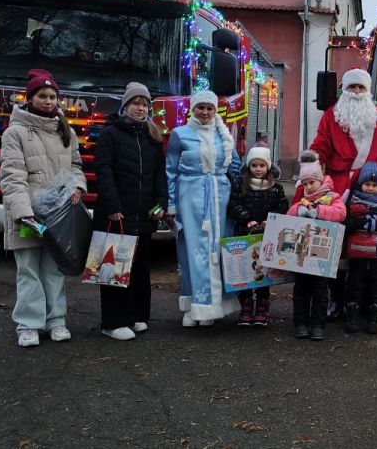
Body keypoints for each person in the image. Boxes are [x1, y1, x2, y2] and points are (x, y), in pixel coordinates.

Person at [0, 69, 87, 347]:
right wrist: (23, 212)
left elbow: (76, 167)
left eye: (52, 96)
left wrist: (78, 187)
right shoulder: (15, 133)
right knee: (28, 269)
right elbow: (12, 175)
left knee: (55, 268)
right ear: (30, 98)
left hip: (59, 215)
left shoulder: (66, 130)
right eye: (42, 96)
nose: (48, 101)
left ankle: (56, 319)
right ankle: (29, 323)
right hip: (28, 214)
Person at [304, 68, 377, 321]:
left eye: (360, 88)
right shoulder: (332, 116)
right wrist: (310, 165)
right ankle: (336, 298)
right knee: (336, 244)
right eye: (351, 88)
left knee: (369, 243)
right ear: (344, 90)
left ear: (368, 91)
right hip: (340, 186)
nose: (355, 93)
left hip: (369, 187)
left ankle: (366, 301)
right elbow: (319, 145)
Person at [92, 82, 168, 341]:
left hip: (143, 214)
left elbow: (159, 175)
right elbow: (103, 171)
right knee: (113, 267)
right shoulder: (110, 134)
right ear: (125, 105)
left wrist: (161, 203)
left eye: (145, 104)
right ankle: (113, 322)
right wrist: (112, 206)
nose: (141, 108)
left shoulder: (153, 137)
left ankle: (137, 316)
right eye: (136, 103)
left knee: (139, 268)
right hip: (116, 215)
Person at [166, 90, 241, 327]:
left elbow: (236, 166)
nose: (205, 112)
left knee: (217, 248)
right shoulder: (180, 134)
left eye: (209, 108)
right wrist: (171, 205)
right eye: (201, 108)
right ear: (193, 109)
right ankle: (193, 306)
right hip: (190, 195)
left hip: (219, 197)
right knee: (192, 249)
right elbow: (170, 171)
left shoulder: (223, 134)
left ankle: (214, 305)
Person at [287, 151, 347, 341]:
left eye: (311, 182)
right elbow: (289, 216)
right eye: (305, 184)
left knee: (321, 292)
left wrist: (319, 211)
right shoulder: (303, 200)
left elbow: (340, 213)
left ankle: (318, 325)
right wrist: (299, 209)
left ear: (320, 180)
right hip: (302, 257)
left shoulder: (332, 197)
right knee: (301, 291)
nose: (308, 187)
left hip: (322, 257)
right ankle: (301, 323)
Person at [226, 146, 289, 327]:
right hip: (245, 233)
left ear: (268, 167)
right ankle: (246, 306)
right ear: (249, 166)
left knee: (263, 271)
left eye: (262, 165)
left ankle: (262, 305)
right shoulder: (240, 184)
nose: (258, 169)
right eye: (254, 165)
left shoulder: (275, 188)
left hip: (265, 235)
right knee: (245, 271)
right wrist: (247, 219)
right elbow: (233, 204)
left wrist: (271, 220)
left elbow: (282, 205)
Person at [342, 161, 377, 334]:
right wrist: (359, 222)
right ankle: (352, 314)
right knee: (354, 283)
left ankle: (374, 315)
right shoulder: (353, 204)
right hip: (357, 252)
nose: (370, 188)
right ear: (361, 184)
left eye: (374, 185)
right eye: (367, 184)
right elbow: (345, 222)